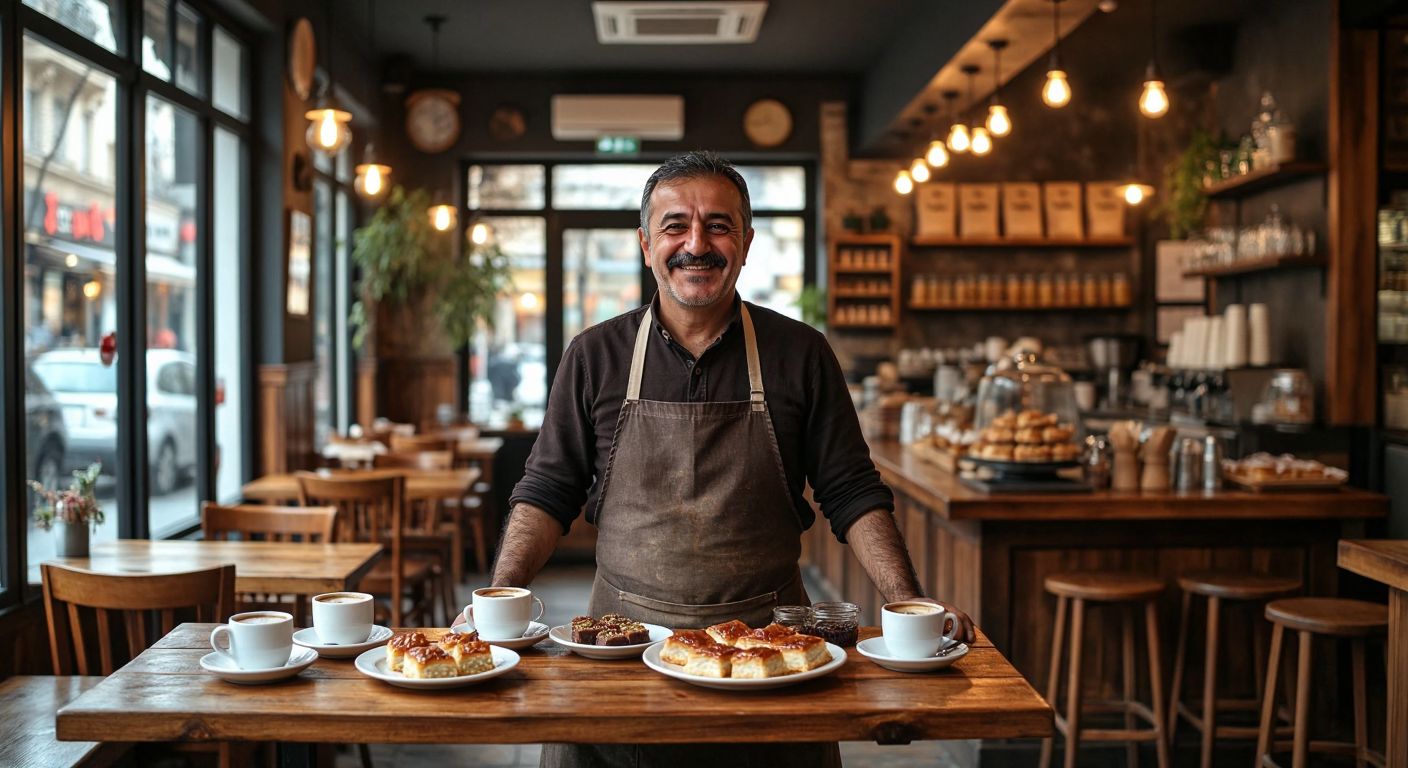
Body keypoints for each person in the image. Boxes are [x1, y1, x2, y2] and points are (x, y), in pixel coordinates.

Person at [492, 151, 975, 768]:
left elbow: (852, 491)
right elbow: (547, 489)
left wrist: (910, 605)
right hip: (619, 649)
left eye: (718, 225)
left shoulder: (800, 354)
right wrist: (498, 599)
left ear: (745, 243)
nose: (697, 244)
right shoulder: (595, 355)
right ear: (646, 245)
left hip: (772, 656)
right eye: (675, 227)